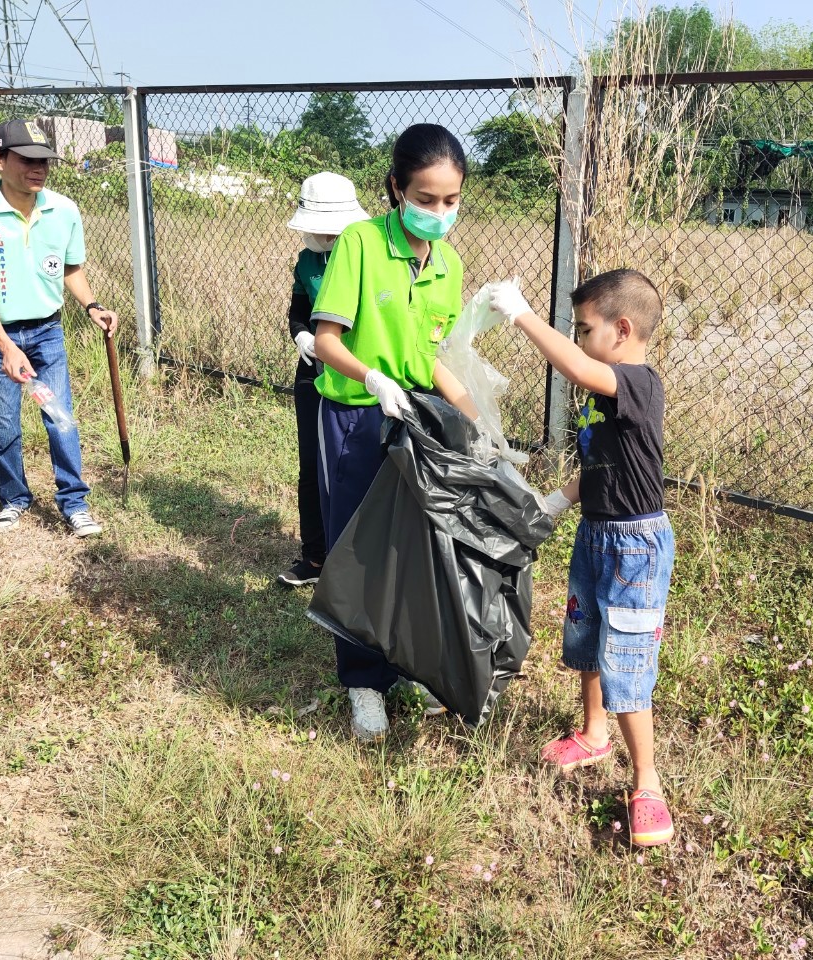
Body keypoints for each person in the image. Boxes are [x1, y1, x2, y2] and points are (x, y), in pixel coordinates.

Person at [489, 269, 677, 847]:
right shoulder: (604, 393)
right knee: (588, 637)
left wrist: (523, 314)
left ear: (621, 331)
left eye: (584, 328)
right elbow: (600, 462)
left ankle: (647, 781)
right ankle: (595, 732)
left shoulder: (638, 383)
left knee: (626, 657)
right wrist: (560, 499)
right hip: (595, 533)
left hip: (635, 547)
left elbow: (573, 365)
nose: (576, 338)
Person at [312, 123, 479, 741]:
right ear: (396, 189)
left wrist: (473, 414)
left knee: (415, 546)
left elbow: (432, 355)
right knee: (358, 549)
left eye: (451, 201)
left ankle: (407, 660)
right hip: (357, 415)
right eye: (426, 198)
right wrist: (374, 379)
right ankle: (363, 683)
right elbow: (327, 341)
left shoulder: (449, 266)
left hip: (415, 419)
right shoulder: (360, 245)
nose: (438, 212)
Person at [0, 118, 118, 536]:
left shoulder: (63, 210)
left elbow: (71, 269)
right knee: (4, 424)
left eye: (45, 160)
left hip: (47, 333)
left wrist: (92, 305)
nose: (39, 168)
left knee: (60, 417)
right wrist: (6, 345)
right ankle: (14, 498)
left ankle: (74, 502)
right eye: (27, 159)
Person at [276, 172, 368, 589]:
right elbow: (298, 310)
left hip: (356, 374)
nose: (324, 237)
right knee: (312, 464)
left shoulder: (367, 255)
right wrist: (302, 335)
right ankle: (315, 558)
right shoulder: (307, 261)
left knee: (355, 468)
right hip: (313, 372)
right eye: (318, 229)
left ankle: (356, 560)